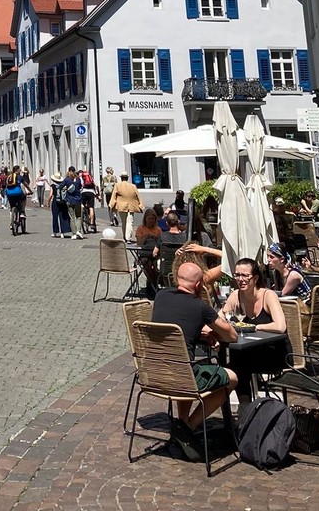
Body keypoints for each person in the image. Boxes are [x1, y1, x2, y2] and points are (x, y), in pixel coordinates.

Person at [152, 261, 238, 460]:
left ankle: (182, 423)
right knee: (232, 378)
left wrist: (198, 334)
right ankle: (187, 428)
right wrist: (210, 330)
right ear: (199, 286)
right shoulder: (200, 307)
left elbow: (174, 325)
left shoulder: (161, 296)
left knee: (186, 365)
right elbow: (231, 336)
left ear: (177, 280)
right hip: (183, 377)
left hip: (155, 373)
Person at [221, 256, 287, 332]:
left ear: (255, 278)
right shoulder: (235, 295)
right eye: (237, 275)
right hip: (247, 342)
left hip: (271, 342)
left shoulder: (268, 296)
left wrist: (253, 327)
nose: (240, 279)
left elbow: (280, 327)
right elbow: (220, 317)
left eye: (245, 275)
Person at [108, 172, 142, 241]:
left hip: (121, 206)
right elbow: (138, 196)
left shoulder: (117, 185)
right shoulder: (133, 186)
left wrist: (111, 205)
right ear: (127, 178)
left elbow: (114, 196)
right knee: (130, 222)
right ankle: (128, 237)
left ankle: (125, 237)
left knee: (124, 222)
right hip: (132, 206)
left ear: (121, 178)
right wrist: (140, 205)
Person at [60, 167, 84, 239]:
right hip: (78, 200)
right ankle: (78, 231)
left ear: (69, 171)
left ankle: (74, 234)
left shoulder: (67, 179)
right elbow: (80, 187)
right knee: (78, 216)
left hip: (70, 200)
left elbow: (60, 186)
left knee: (72, 217)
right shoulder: (78, 179)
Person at [4, 166, 28, 231]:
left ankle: (11, 223)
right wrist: (30, 191)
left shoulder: (9, 177)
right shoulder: (20, 177)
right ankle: (22, 212)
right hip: (18, 193)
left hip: (9, 194)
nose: (20, 170)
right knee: (23, 198)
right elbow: (26, 185)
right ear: (17, 170)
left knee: (12, 208)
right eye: (19, 169)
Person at [48, 170, 70, 237]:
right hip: (63, 202)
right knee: (62, 216)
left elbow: (51, 195)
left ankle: (55, 232)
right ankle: (62, 232)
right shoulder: (63, 185)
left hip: (55, 201)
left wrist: (48, 202)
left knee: (55, 216)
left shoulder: (53, 186)